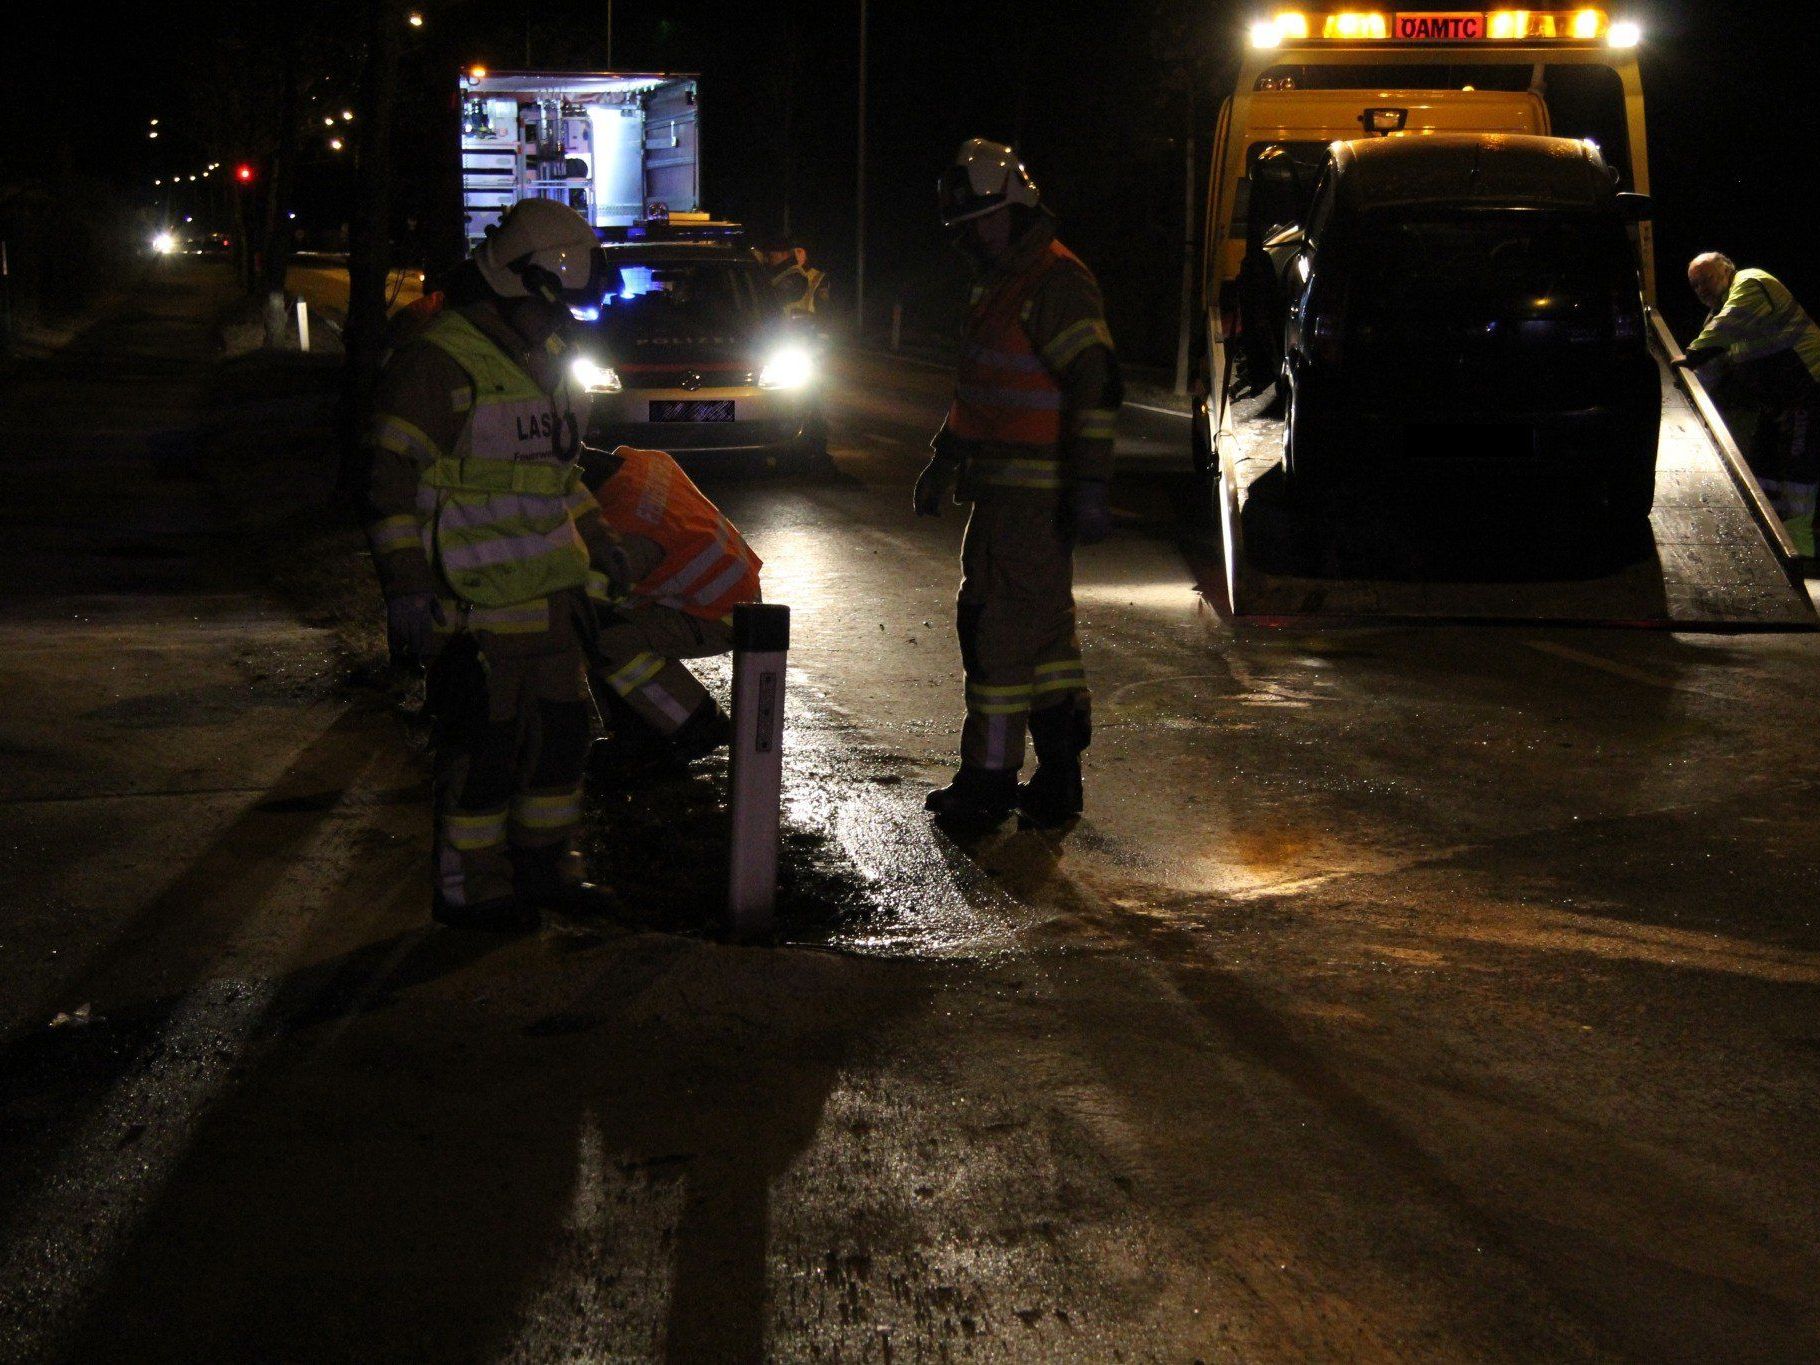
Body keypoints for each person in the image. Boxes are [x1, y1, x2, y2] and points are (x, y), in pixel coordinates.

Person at [364, 198, 630, 931]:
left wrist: (601, 543)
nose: (565, 322)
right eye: (558, 306)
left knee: (562, 742)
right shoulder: (435, 361)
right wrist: (407, 593)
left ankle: (547, 871)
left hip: (550, 602)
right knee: (483, 750)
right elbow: (386, 483)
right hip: (472, 609)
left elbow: (559, 477)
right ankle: (469, 888)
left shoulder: (543, 362)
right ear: (521, 284)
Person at [914, 138, 1122, 828]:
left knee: (998, 636)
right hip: (1007, 496)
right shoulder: (1002, 281)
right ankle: (1060, 777)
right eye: (961, 227)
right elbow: (984, 391)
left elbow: (1095, 383)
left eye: (977, 221)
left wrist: (1090, 483)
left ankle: (990, 781)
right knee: (1043, 642)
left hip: (1033, 501)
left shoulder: (1052, 281)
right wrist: (945, 458)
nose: (968, 237)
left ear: (1013, 207)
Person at [580, 444, 759, 776]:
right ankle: (643, 732)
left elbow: (585, 603)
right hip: (729, 590)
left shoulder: (625, 536)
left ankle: (693, 723)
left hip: (716, 613)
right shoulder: (641, 461)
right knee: (604, 627)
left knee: (599, 638)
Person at [1675, 252, 1820, 558]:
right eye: (1695, 285)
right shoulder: (1717, 317)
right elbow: (1711, 369)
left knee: (1797, 468)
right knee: (1763, 463)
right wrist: (1684, 394)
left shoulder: (1751, 282)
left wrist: (1691, 355)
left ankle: (1803, 550)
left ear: (1727, 271)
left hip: (1808, 390)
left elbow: (1723, 331)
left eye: (1707, 279)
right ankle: (1781, 537)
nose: (1701, 289)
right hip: (1779, 402)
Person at [757, 233, 825, 321]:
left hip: (795, 329)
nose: (766, 259)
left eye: (770, 254)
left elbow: (771, 300)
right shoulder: (780, 274)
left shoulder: (794, 276)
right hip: (784, 328)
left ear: (783, 253)